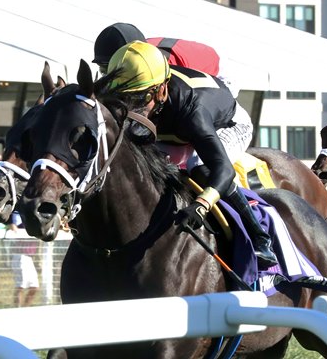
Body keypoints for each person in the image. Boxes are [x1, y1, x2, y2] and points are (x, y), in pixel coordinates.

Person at [104, 41, 277, 267]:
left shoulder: (191, 109)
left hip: (226, 124)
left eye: (140, 99)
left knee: (199, 165)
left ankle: (259, 237)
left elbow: (222, 169)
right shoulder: (143, 89)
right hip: (175, 127)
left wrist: (202, 204)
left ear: (161, 89)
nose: (133, 108)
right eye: (127, 98)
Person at [92, 22, 238, 98]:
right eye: (103, 70)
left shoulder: (158, 65)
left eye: (110, 70)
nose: (107, 76)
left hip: (219, 76)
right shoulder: (138, 55)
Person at [9, 212, 39, 307]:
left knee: (34, 287)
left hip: (29, 258)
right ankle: (17, 311)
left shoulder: (38, 225)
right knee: (20, 286)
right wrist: (12, 225)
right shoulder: (23, 224)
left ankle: (25, 309)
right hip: (20, 256)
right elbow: (12, 225)